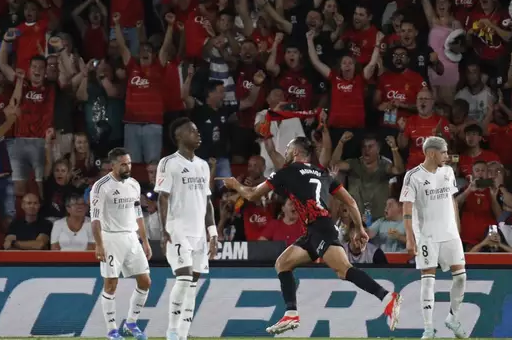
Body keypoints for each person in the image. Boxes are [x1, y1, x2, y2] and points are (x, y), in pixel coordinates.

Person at [218, 136, 402, 335]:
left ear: (296, 152)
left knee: (343, 270)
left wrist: (235, 185)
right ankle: (290, 313)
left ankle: (387, 298)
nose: (286, 152)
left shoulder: (286, 172)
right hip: (315, 230)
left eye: (288, 148)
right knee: (283, 264)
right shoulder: (322, 173)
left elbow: (253, 194)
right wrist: (359, 228)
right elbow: (350, 202)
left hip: (320, 228)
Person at [155, 117, 218, 340]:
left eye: (198, 130)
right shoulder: (168, 163)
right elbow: (162, 198)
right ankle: (172, 330)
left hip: (199, 232)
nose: (198, 134)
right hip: (177, 229)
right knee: (184, 277)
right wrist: (164, 230)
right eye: (192, 131)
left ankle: (182, 335)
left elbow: (208, 201)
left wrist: (213, 233)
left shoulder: (202, 165)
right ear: (179, 136)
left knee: (192, 285)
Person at [399, 136, 468, 339]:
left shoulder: (448, 172)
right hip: (427, 235)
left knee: (461, 277)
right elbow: (407, 209)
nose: (447, 156)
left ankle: (453, 319)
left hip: (450, 234)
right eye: (444, 152)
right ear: (431, 153)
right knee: (428, 281)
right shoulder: (413, 176)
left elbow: (452, 200)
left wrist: (457, 228)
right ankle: (428, 329)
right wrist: (410, 238)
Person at [90, 147, 152, 340]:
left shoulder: (134, 184)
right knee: (111, 284)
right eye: (124, 163)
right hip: (110, 238)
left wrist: (145, 241)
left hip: (131, 237)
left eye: (130, 163)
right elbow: (95, 219)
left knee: (145, 282)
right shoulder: (101, 187)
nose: (128, 166)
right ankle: (112, 331)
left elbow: (138, 214)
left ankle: (131, 323)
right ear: (113, 165)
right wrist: (99, 244)